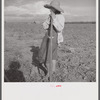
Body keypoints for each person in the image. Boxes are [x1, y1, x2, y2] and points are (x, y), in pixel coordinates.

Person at [38, 0, 65, 75]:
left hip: (55, 37)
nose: (50, 9)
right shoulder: (50, 16)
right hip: (48, 36)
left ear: (55, 9)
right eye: (50, 7)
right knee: (46, 52)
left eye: (51, 8)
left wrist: (54, 19)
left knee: (51, 54)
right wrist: (48, 20)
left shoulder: (60, 17)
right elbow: (45, 26)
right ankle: (51, 71)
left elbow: (59, 28)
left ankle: (50, 72)